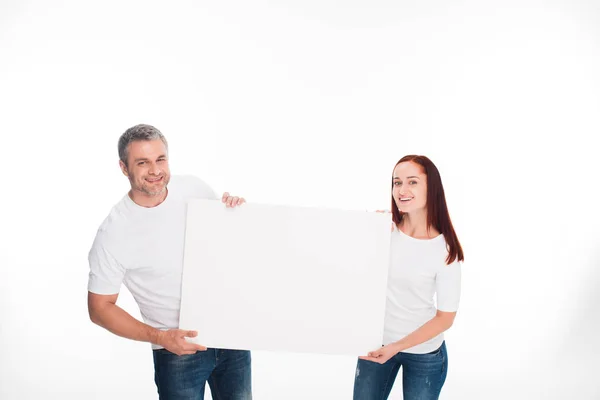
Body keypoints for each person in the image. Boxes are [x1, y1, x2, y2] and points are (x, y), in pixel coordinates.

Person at [87, 124, 252, 400]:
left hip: (229, 335)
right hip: (177, 351)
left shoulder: (194, 189)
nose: (155, 170)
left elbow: (225, 248)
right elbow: (99, 308)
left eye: (160, 159)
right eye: (143, 162)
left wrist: (234, 213)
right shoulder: (114, 232)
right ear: (124, 168)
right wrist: (161, 338)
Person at [353, 155, 463, 400]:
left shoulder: (445, 250)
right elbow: (354, 277)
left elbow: (445, 319)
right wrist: (367, 233)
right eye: (396, 182)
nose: (401, 190)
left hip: (424, 352)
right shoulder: (383, 230)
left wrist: (397, 347)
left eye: (412, 182)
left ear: (431, 188)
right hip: (376, 343)